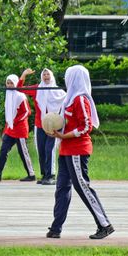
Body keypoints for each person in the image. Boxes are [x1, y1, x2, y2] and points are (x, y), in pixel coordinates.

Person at [47, 65, 114, 240]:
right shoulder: (69, 99)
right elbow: (66, 122)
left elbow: (86, 126)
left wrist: (64, 135)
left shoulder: (80, 100)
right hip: (66, 149)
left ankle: (104, 224)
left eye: (68, 77)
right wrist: (54, 129)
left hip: (77, 149)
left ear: (74, 79)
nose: (66, 80)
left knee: (82, 186)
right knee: (62, 187)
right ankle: (56, 228)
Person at [18, 68, 66, 185]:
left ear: (51, 76)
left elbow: (68, 103)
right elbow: (19, 88)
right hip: (40, 125)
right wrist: (24, 74)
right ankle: (44, 175)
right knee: (41, 150)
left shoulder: (59, 92)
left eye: (47, 74)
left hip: (54, 125)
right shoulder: (37, 89)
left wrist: (62, 120)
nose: (45, 76)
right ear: (41, 77)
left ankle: (51, 175)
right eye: (44, 74)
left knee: (49, 149)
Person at [0, 74, 35, 182]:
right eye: (7, 83)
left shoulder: (20, 96)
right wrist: (7, 128)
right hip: (10, 129)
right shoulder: (8, 95)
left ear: (15, 83)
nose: (9, 85)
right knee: (3, 151)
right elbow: (9, 114)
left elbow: (27, 112)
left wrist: (15, 121)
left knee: (23, 152)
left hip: (20, 129)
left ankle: (31, 175)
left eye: (11, 83)